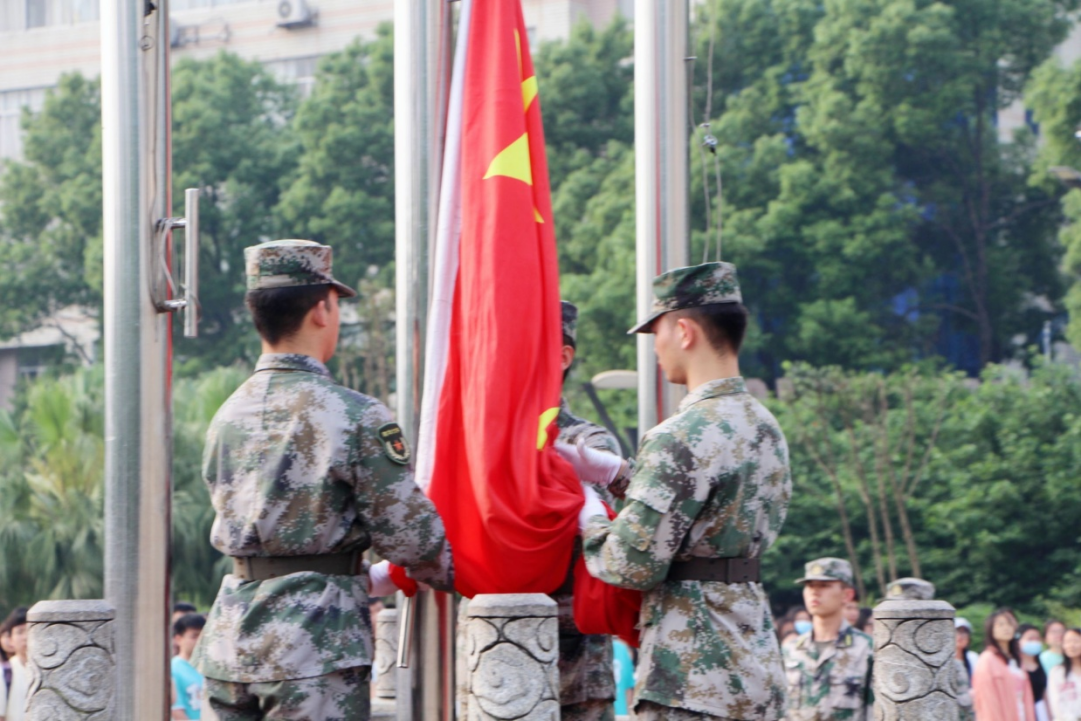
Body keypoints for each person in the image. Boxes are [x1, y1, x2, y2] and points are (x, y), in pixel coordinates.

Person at [191, 240, 454, 720]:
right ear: (321, 310)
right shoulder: (353, 414)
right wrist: (476, 570)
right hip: (312, 644)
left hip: (229, 642)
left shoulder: (228, 415)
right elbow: (412, 539)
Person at [558, 262, 792, 720]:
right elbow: (707, 510)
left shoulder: (680, 434)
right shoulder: (765, 425)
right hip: (754, 657)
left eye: (656, 332)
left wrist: (591, 513)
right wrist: (620, 472)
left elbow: (627, 564)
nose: (655, 348)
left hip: (691, 672)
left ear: (684, 331)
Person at [551, 301, 620, 721]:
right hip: (497, 655)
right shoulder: (484, 439)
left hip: (575, 668)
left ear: (563, 356)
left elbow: (595, 528)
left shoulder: (588, 442)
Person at [782, 557, 874, 721]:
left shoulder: (867, 649)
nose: (815, 592)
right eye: (810, 586)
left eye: (824, 585)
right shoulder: (791, 650)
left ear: (847, 594)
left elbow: (875, 711)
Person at [973, 608, 1036, 721]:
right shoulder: (987, 659)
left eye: (1009, 624)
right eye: (1000, 625)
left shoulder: (1017, 659)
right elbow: (987, 702)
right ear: (991, 629)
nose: (1006, 628)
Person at [172, 613, 206, 720]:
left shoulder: (208, 668)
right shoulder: (173, 668)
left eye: (202, 636)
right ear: (178, 639)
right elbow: (176, 710)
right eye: (194, 636)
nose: (199, 641)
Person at [1047, 627, 1081, 721]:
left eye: (1076, 641)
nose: (1071, 645)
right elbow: (1056, 703)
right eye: (1067, 642)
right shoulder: (1057, 672)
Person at [1018, 623, 1050, 721]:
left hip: (1041, 712)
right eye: (1030, 639)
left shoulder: (1042, 663)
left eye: (1037, 639)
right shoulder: (1014, 666)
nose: (1035, 642)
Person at [1, 608, 27, 721]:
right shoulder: (4, 673)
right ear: (10, 639)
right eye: (20, 632)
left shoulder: (51, 671)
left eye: (30, 630)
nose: (26, 637)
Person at [956, 618, 980, 683]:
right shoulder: (945, 660)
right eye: (957, 631)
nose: (960, 636)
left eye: (964, 632)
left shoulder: (973, 657)